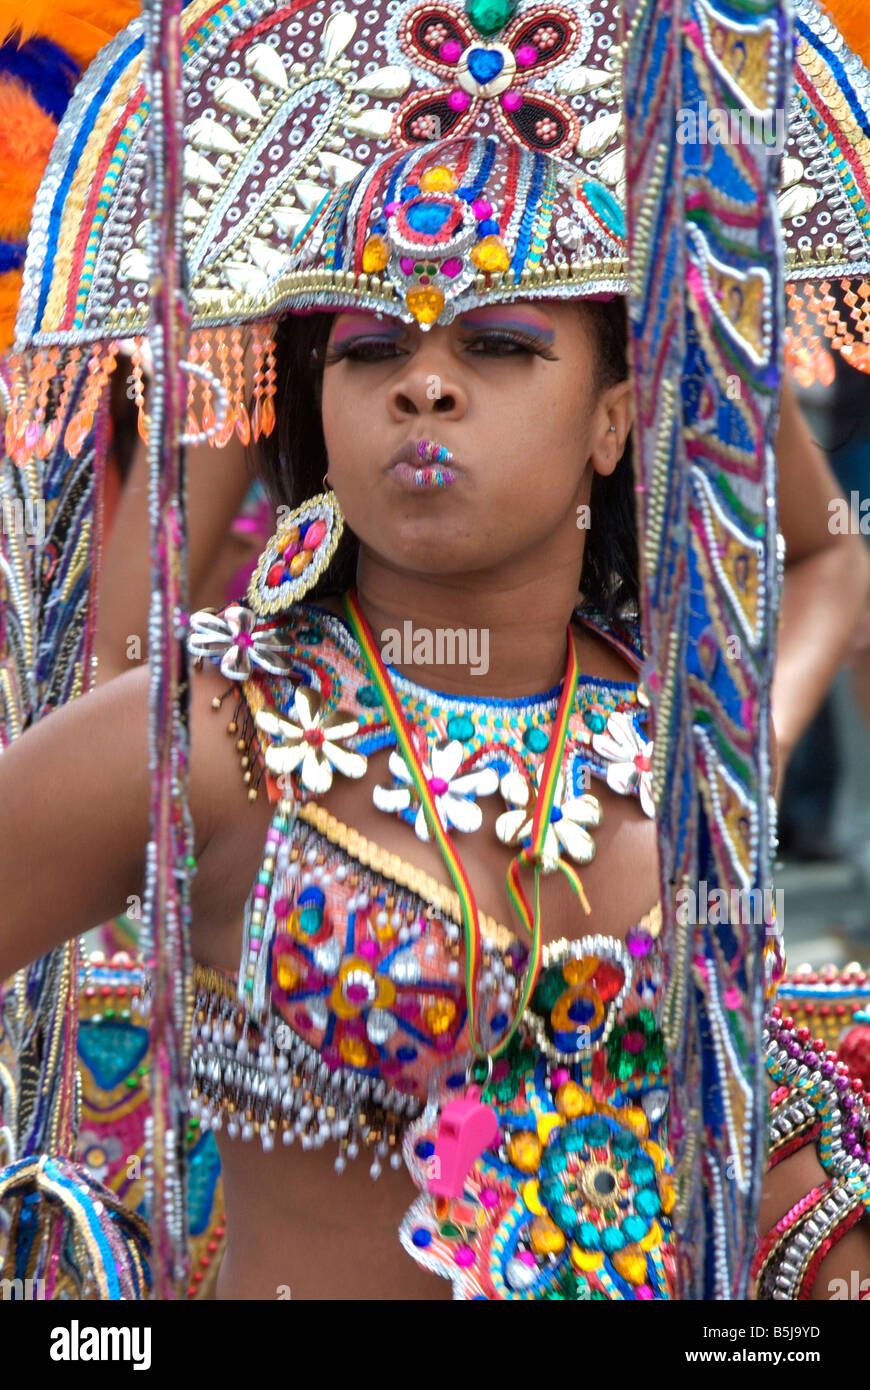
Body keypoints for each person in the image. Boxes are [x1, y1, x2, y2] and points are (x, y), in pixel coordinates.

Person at [3, 0, 870, 1302]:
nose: (424, 386)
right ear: (317, 406)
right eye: (370, 351)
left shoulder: (676, 744)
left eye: (498, 345)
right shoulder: (208, 739)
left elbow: (822, 552)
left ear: (614, 419)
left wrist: (753, 729)